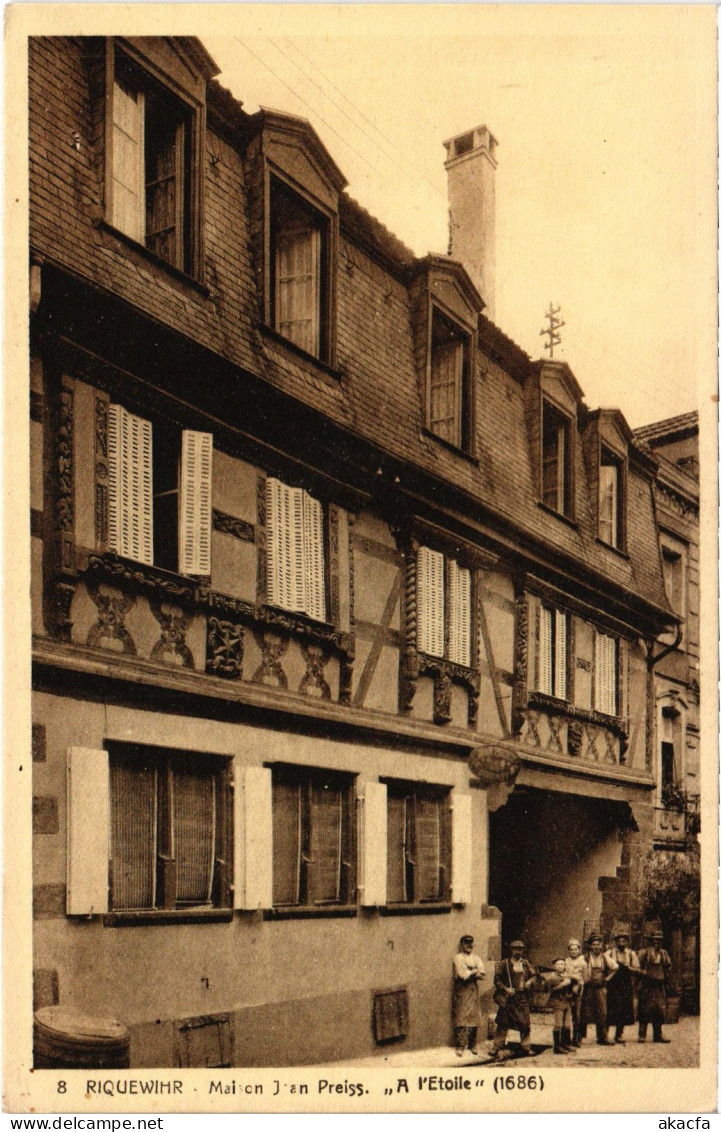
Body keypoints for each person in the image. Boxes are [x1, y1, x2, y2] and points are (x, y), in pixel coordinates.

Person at [491, 940, 538, 1060]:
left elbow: (534, 976)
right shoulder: (503, 964)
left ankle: (526, 1047)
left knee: (525, 1022)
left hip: (522, 997)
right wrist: (506, 989)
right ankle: (496, 1047)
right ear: (511, 950)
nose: (518, 951)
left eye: (520, 949)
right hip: (509, 998)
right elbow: (497, 980)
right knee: (503, 1022)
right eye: (516, 949)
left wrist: (529, 981)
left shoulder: (526, 964)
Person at [604, 926, 640, 1043]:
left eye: (623, 940)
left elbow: (636, 969)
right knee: (610, 1008)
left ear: (627, 942)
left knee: (623, 1009)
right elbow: (603, 965)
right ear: (615, 942)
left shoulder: (631, 954)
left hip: (625, 984)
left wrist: (627, 967)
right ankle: (605, 1035)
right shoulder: (609, 953)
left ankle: (619, 1034)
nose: (621, 943)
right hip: (613, 984)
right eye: (619, 940)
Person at [637, 929, 673, 1043]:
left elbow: (668, 967)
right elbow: (636, 966)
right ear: (650, 941)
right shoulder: (644, 953)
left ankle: (658, 1035)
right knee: (645, 1009)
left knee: (659, 1009)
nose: (656, 942)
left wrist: (665, 978)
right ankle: (642, 1034)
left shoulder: (663, 953)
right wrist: (643, 973)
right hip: (647, 986)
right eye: (654, 940)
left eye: (659, 940)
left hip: (659, 986)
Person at [452, 935, 485, 1056]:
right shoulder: (458, 958)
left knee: (473, 1017)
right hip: (461, 990)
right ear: (462, 944)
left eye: (471, 942)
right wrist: (474, 971)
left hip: (472, 990)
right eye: (466, 943)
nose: (469, 945)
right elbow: (461, 975)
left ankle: (472, 1044)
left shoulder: (476, 958)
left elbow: (482, 975)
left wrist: (469, 972)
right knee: (461, 1017)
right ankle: (460, 1046)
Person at [582, 933, 616, 1045]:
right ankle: (578, 1037)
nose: (596, 947)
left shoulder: (605, 957)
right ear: (590, 946)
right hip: (587, 989)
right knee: (584, 1012)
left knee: (602, 1012)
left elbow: (615, 967)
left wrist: (607, 978)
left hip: (601, 988)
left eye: (598, 944)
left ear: (601, 945)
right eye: (594, 944)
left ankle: (602, 1037)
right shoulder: (585, 957)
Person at [542, 958, 580, 1055]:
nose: (560, 966)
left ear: (565, 966)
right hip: (558, 1002)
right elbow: (549, 989)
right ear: (554, 966)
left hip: (567, 1002)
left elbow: (576, 982)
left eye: (562, 964)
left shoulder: (568, 975)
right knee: (558, 1024)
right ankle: (557, 1047)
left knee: (567, 1024)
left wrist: (574, 989)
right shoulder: (552, 977)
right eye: (558, 964)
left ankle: (565, 1044)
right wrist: (563, 984)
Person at [565, 937, 586, 1046]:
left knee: (577, 1015)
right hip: (567, 989)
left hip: (578, 990)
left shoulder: (583, 962)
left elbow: (586, 977)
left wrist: (579, 983)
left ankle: (576, 1038)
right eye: (571, 949)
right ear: (569, 950)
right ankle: (566, 1039)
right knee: (567, 1014)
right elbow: (563, 974)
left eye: (575, 949)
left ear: (579, 950)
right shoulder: (565, 962)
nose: (573, 951)